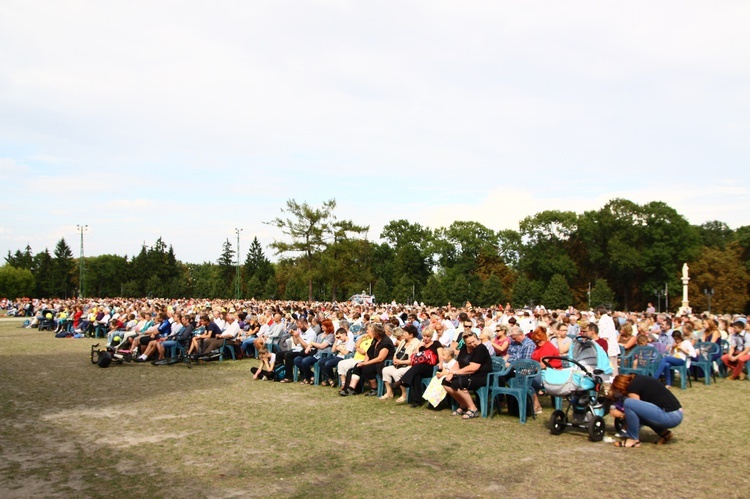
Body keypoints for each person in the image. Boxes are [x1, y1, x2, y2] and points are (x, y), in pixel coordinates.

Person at [608, 373, 683, 448]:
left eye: (620, 391)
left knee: (628, 403)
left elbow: (634, 412)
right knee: (642, 412)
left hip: (671, 416)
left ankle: (633, 440)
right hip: (676, 413)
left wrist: (621, 415)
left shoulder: (632, 387)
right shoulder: (638, 379)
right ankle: (665, 434)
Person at [442, 331, 493, 419]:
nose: (473, 344)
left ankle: (473, 409)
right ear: (465, 343)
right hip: (467, 375)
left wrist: (455, 373)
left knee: (459, 383)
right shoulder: (464, 348)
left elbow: (473, 368)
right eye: (469, 343)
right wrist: (450, 373)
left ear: (477, 339)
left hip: (481, 376)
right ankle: (463, 404)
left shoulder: (481, 348)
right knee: (445, 382)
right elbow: (458, 363)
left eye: (474, 341)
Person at [339, 323, 394, 396]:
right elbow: (369, 352)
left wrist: (365, 363)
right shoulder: (375, 340)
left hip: (382, 363)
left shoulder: (386, 342)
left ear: (376, 332)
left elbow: (380, 358)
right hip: (373, 361)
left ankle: (374, 389)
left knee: (367, 368)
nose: (368, 332)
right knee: (357, 366)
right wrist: (364, 361)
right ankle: (351, 389)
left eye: (370, 331)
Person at [399, 326, 443, 407]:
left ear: (431, 336)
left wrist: (440, 363)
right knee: (417, 376)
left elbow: (441, 356)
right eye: (424, 336)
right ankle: (417, 401)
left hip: (432, 368)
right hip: (420, 368)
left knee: (418, 367)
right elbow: (415, 358)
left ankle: (401, 381)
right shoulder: (421, 345)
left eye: (428, 336)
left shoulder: (436, 343)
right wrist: (418, 347)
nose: (425, 338)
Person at [380, 325, 420, 401]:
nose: (403, 334)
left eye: (405, 332)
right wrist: (395, 359)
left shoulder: (416, 343)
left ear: (411, 335)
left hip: (409, 366)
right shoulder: (402, 342)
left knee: (396, 373)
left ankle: (404, 394)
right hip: (398, 364)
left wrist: (400, 362)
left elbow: (413, 359)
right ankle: (389, 392)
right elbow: (396, 353)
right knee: (385, 370)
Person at [295, 318, 335, 384]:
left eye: (323, 325)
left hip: (324, 355)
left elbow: (322, 346)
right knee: (297, 360)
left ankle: (308, 378)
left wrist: (312, 343)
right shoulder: (319, 335)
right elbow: (312, 344)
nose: (321, 326)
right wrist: (308, 347)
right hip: (316, 354)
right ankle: (311, 376)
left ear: (328, 326)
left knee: (305, 361)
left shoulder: (331, 336)